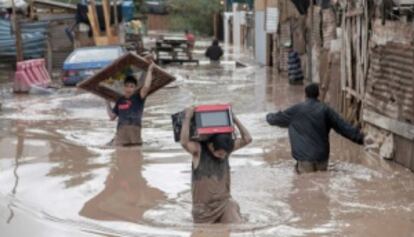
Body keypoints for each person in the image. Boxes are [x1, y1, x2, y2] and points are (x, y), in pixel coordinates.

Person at [266, 83, 365, 174]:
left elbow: (276, 119)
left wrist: (268, 116)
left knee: (305, 185)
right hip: (322, 158)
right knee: (321, 183)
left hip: (304, 159)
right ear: (318, 94)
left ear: (305, 95)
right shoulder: (326, 110)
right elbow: (343, 127)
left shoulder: (296, 110)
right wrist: (361, 138)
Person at [180, 107, 252, 224]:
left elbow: (248, 139)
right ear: (211, 146)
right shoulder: (198, 151)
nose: (222, 156)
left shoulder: (225, 150)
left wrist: (233, 118)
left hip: (224, 204)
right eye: (219, 154)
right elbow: (184, 142)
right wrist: (187, 117)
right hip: (203, 210)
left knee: (237, 227)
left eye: (225, 154)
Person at [106, 62, 155, 146]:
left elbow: (146, 87)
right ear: (124, 87)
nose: (128, 88)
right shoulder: (120, 100)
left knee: (136, 152)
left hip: (135, 131)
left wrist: (149, 70)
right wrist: (107, 102)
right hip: (121, 132)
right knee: (120, 154)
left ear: (135, 88)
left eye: (131, 86)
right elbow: (112, 117)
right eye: (127, 86)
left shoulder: (139, 97)